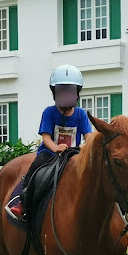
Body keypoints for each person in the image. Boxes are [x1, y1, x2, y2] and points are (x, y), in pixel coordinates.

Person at [10, 64, 93, 218]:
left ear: (77, 93)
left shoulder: (81, 114)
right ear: (55, 93)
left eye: (70, 91)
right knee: (36, 166)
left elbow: (89, 137)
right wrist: (55, 148)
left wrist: (85, 146)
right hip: (49, 154)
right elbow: (46, 137)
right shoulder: (49, 112)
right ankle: (23, 202)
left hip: (73, 156)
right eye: (62, 90)